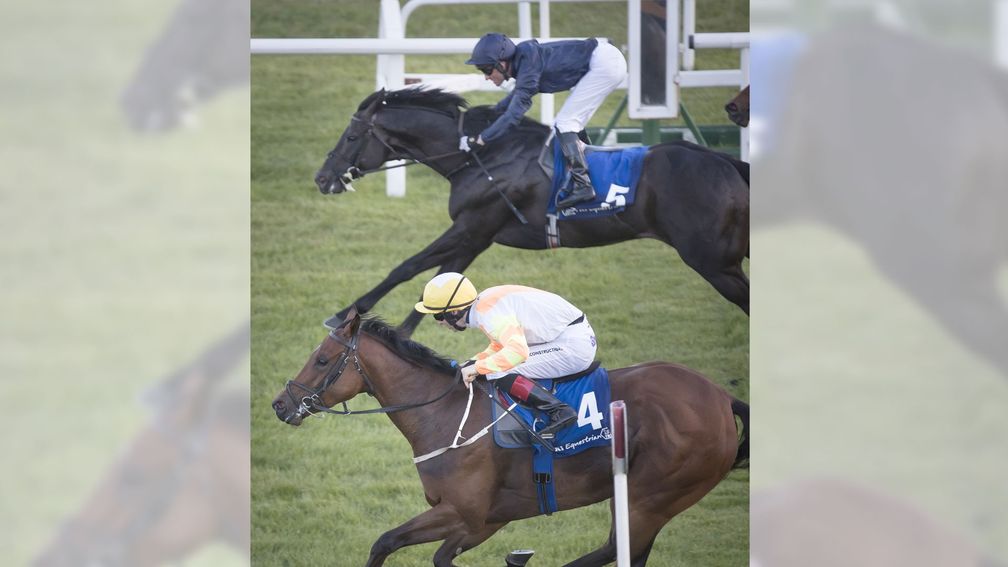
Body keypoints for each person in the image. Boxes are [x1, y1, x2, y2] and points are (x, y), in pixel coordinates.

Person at [415, 272, 597, 438]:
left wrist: (478, 367)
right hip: (565, 336)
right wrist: (474, 361)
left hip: (574, 346)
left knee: (498, 370)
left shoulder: (488, 314)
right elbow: (500, 344)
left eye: (437, 316)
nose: (439, 323)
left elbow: (517, 352)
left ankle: (559, 411)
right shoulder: (483, 305)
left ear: (454, 312)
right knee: (493, 366)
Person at [461, 33, 628, 208]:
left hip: (604, 64)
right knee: (569, 123)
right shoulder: (525, 62)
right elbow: (513, 98)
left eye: (487, 70)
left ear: (502, 63)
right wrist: (490, 115)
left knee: (565, 123)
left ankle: (584, 185)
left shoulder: (528, 63)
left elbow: (513, 116)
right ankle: (590, 175)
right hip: (605, 61)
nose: (486, 77)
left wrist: (482, 139)